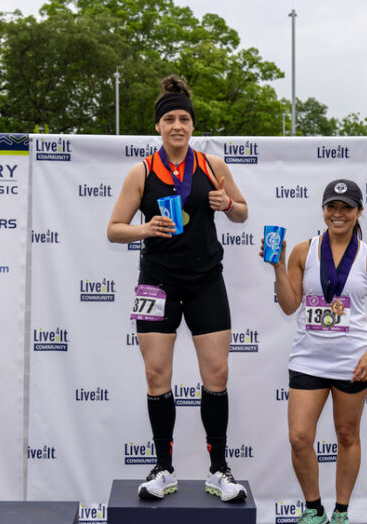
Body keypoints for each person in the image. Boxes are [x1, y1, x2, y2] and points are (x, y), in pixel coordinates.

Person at [106, 75, 249, 502]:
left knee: (217, 374)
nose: (177, 126)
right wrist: (145, 228)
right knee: (156, 375)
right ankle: (163, 469)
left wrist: (229, 204)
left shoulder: (212, 166)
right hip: (156, 282)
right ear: (158, 126)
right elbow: (114, 229)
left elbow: (242, 212)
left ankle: (219, 470)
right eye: (169, 119)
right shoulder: (142, 171)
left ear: (192, 125)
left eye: (184, 119)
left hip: (206, 280)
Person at [264, 179, 367, 524]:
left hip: (354, 361)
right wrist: (278, 267)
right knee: (299, 437)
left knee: (347, 435)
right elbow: (290, 305)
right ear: (323, 210)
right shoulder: (304, 251)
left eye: (346, 207)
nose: (338, 214)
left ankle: (342, 515)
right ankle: (315, 511)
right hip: (309, 358)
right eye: (332, 206)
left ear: (359, 212)